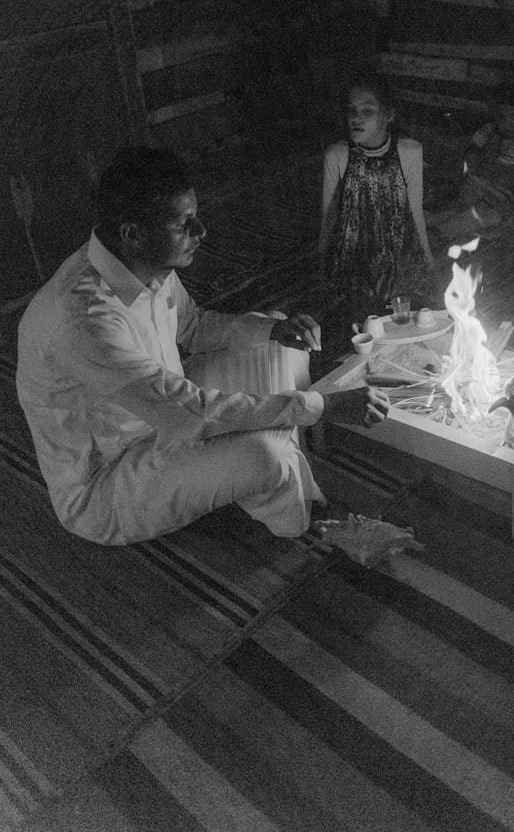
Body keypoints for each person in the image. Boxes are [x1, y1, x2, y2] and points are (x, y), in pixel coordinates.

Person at [15, 146, 389, 546]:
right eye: (184, 224)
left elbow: (193, 328)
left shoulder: (142, 261)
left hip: (168, 408)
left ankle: (272, 460)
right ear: (133, 233)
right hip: (111, 479)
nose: (201, 232)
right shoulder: (81, 320)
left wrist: (272, 334)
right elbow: (188, 414)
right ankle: (302, 523)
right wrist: (322, 405)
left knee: (279, 336)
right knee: (265, 455)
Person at [319, 73, 437, 316]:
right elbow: (329, 216)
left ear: (388, 115)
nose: (356, 118)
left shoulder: (409, 152)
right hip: (355, 254)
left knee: (415, 313)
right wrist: (320, 262)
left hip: (397, 251)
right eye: (351, 110)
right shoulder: (338, 155)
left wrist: (429, 265)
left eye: (367, 111)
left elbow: (415, 213)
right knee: (356, 315)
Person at [462, 88, 514, 226]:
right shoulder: (490, 130)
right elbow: (469, 154)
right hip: (480, 186)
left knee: (490, 217)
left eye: (513, 116)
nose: (507, 123)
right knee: (460, 199)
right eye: (501, 117)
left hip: (505, 196)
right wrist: (480, 149)